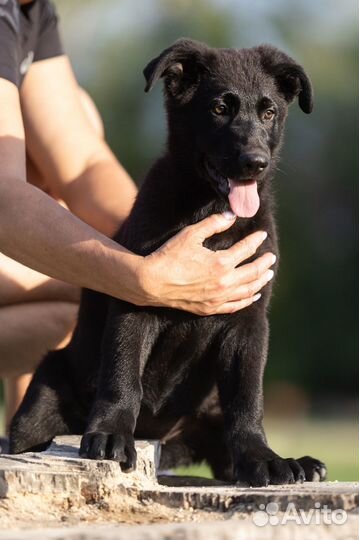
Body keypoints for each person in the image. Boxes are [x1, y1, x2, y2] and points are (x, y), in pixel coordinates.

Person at [0, 0, 276, 436]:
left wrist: (162, 244)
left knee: (81, 299)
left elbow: (84, 165)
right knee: (94, 280)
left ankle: (23, 438)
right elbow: (3, 198)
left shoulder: (30, 11)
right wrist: (140, 277)